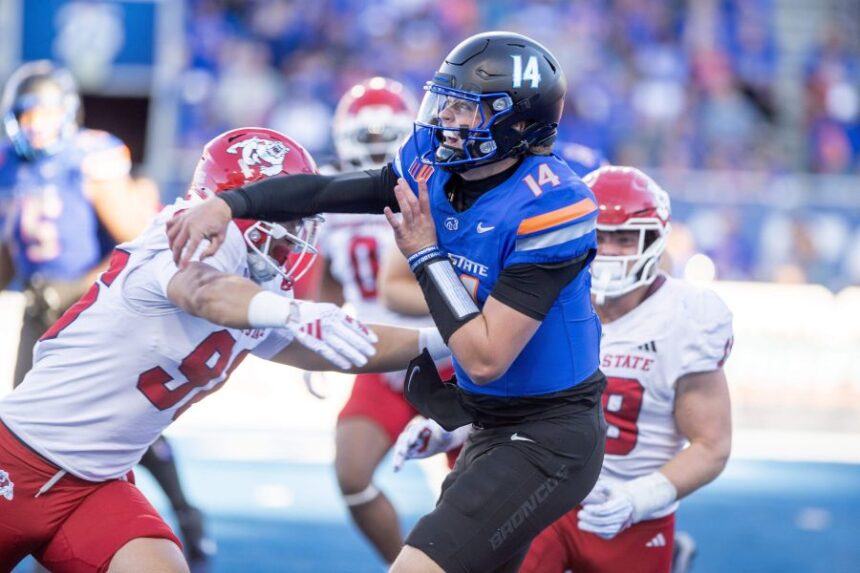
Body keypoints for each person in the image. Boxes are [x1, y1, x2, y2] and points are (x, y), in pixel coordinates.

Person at [166, 31, 607, 573]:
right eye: (445, 100)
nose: (447, 118)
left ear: (517, 122)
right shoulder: (436, 165)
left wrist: (424, 255)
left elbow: (484, 359)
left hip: (549, 431)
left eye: (466, 109)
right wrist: (231, 203)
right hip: (491, 422)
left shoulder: (552, 205)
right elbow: (328, 191)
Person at [0, 127, 448, 572]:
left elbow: (334, 346)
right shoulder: (182, 231)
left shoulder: (258, 286)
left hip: (95, 485)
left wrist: (445, 341)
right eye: (286, 211)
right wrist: (290, 313)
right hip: (19, 457)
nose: (294, 229)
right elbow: (203, 292)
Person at [393, 166, 734, 573]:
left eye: (624, 238)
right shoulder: (535, 295)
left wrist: (641, 497)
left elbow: (711, 445)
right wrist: (450, 426)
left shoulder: (686, 317)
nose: (606, 250)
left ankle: (671, 553)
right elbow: (516, 397)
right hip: (545, 490)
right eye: (598, 234)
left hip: (631, 515)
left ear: (654, 241)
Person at [0, 60, 213, 570]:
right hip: (39, 304)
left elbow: (140, 242)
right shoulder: (12, 162)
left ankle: (184, 513)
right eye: (30, 115)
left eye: (48, 113)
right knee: (34, 425)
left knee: (116, 418)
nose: (39, 125)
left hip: (92, 303)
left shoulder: (89, 157)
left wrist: (77, 285)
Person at [316, 76, 455, 564]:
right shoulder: (330, 194)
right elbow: (331, 277)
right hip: (379, 354)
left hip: (451, 355)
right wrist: (321, 328)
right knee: (352, 475)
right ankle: (405, 563)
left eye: (385, 139)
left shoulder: (439, 184)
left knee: (475, 495)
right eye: (365, 140)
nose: (376, 152)